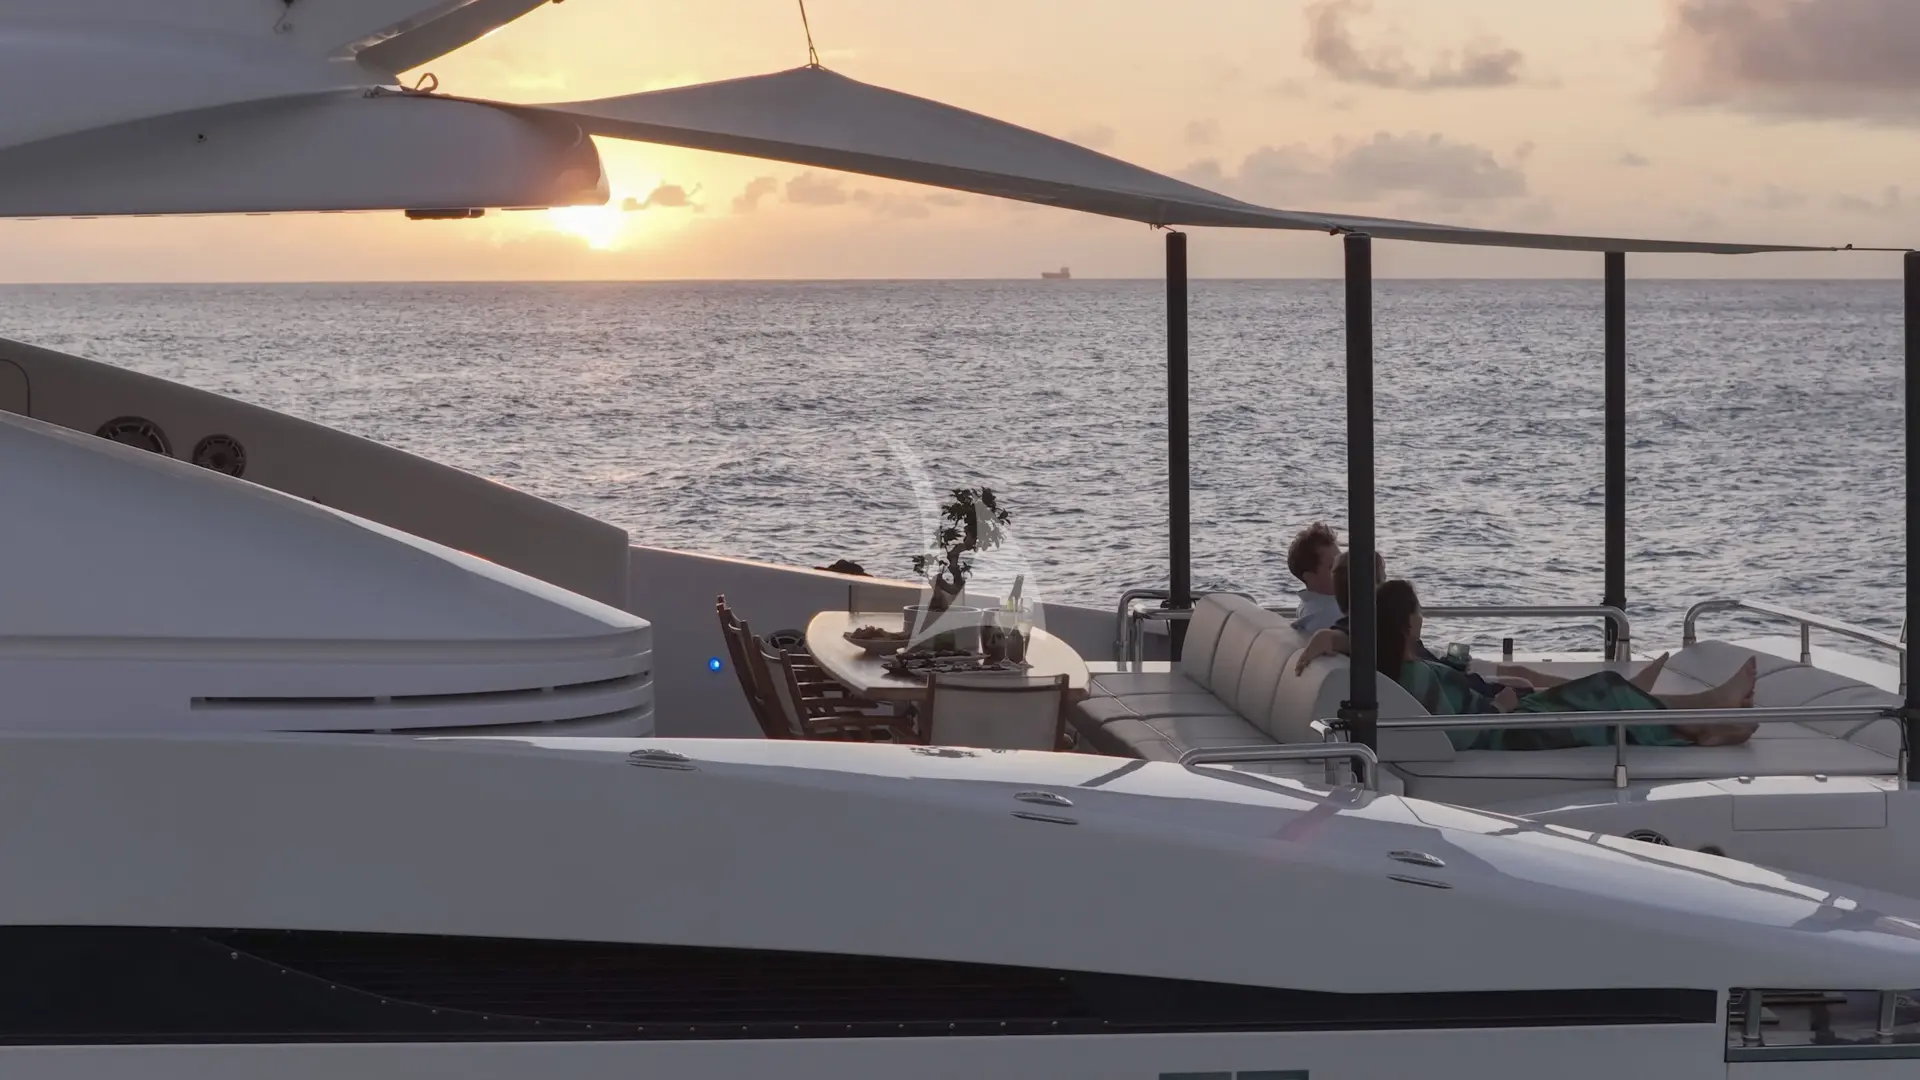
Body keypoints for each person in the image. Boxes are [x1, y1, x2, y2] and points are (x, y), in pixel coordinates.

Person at [1375, 578, 1758, 750]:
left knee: (1606, 689)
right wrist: (1500, 708)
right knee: (1607, 692)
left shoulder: (1403, 666)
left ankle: (1705, 714)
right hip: (1505, 730)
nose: (1423, 616)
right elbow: (1457, 735)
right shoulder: (1414, 674)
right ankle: (1699, 726)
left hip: (1504, 717)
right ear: (1406, 623)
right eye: (1418, 610)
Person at [1286, 522, 1342, 634]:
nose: (1343, 569)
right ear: (1310, 577)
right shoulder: (1327, 617)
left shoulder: (1311, 608)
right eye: (1332, 566)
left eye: (1341, 561)